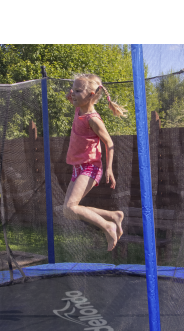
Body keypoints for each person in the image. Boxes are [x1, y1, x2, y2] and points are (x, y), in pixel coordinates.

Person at [63, 73, 127, 251]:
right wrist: (73, 96)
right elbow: (74, 99)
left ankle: (108, 226)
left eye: (77, 90)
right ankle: (114, 216)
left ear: (91, 94)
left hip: (90, 167)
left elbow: (109, 143)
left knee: (71, 207)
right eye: (72, 89)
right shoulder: (79, 109)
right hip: (79, 167)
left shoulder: (93, 119)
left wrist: (109, 169)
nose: (72, 93)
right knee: (67, 210)